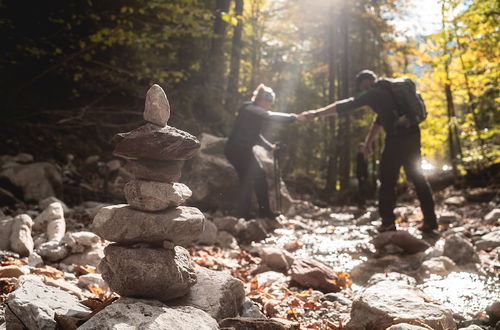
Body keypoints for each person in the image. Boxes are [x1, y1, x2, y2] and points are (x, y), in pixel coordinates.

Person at [298, 70, 438, 233]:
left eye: (362, 87)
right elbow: (379, 120)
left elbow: (346, 105)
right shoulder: (390, 90)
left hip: (396, 138)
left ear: (364, 83)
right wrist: (368, 143)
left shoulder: (373, 93)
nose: (362, 90)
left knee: (387, 180)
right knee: (417, 177)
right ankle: (431, 222)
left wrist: (316, 113)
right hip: (413, 134)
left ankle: (387, 223)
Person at [225, 84, 297, 220]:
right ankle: (251, 214)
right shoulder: (250, 108)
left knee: (253, 178)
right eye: (269, 101)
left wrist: (271, 147)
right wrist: (294, 117)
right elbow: (269, 115)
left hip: (242, 150)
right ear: (262, 100)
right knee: (254, 178)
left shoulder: (253, 112)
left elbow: (256, 136)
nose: (270, 105)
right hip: (237, 150)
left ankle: (250, 213)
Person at [356, 142, 369, 207]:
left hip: (364, 175)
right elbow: (360, 166)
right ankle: (360, 203)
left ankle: (363, 203)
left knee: (363, 189)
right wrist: (361, 175)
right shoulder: (359, 156)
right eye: (362, 148)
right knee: (361, 189)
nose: (363, 149)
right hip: (361, 176)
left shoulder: (364, 155)